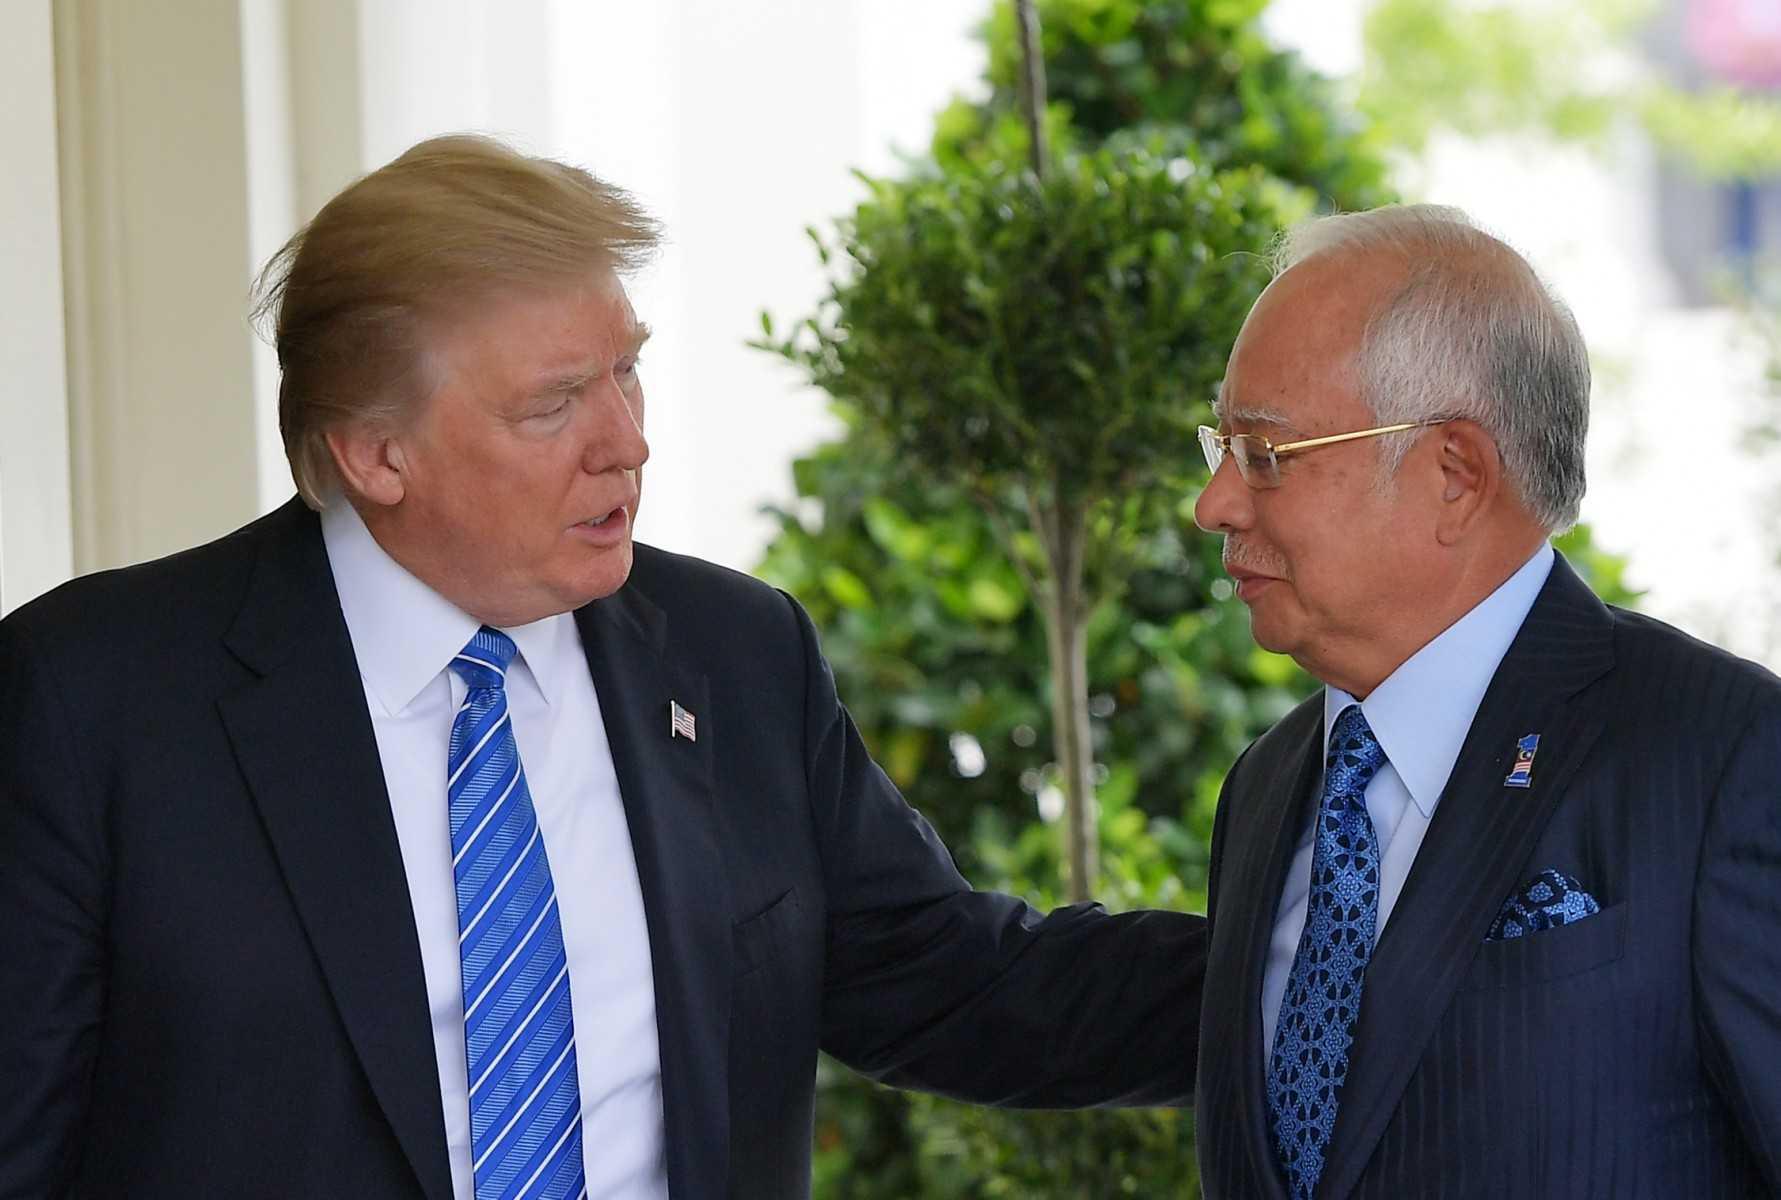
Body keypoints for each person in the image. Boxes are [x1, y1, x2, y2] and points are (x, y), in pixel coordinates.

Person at [0, 135, 1206, 1200]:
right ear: (375, 454)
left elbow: (960, 987)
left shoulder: (736, 654)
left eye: (625, 370)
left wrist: (1326, 970)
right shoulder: (92, 697)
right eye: (555, 403)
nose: (626, 441)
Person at [1190, 203, 1781, 1199]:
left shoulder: (1720, 757)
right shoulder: (1264, 786)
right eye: (1220, 449)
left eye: (1264, 455)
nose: (1214, 504)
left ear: (1453, 475)